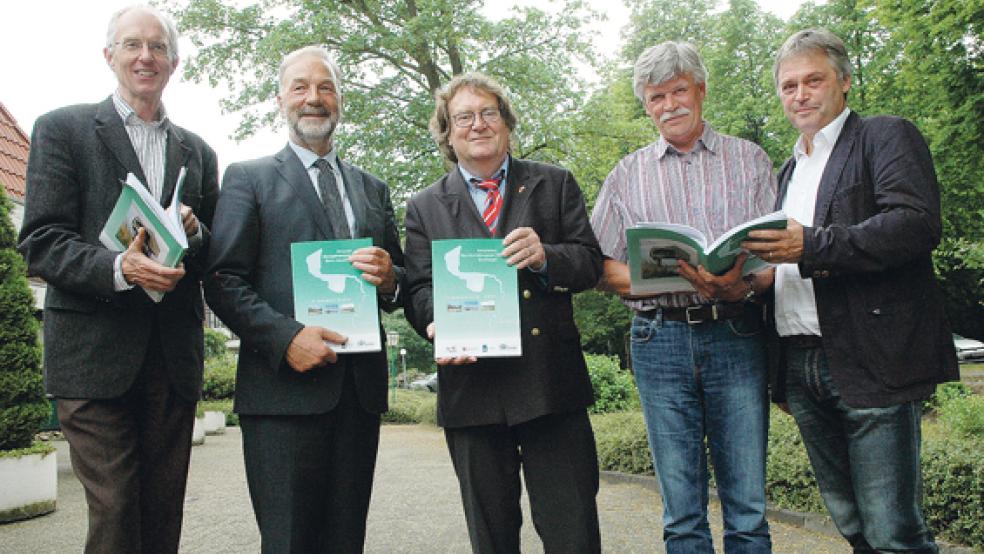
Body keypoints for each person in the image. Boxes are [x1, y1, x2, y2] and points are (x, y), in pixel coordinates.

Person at [742, 28, 959, 552]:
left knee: (893, 531)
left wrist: (810, 244)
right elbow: (791, 256)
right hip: (800, 362)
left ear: (844, 81)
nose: (800, 94)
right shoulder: (788, 169)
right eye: (789, 85)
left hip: (870, 354)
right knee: (852, 524)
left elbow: (914, 224)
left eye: (813, 80)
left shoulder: (884, 136)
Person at [17, 5, 219, 552]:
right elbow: (41, 242)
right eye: (132, 45)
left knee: (161, 513)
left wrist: (194, 234)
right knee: (116, 509)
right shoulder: (62, 130)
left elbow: (208, 258)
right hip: (92, 357)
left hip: (172, 359)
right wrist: (117, 267)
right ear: (109, 56)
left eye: (158, 48)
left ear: (174, 63)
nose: (145, 56)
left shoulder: (198, 152)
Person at [203, 46, 404, 553]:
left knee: (345, 541)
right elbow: (223, 279)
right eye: (300, 87)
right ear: (280, 100)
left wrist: (389, 279)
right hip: (281, 396)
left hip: (357, 395)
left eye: (326, 87)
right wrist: (286, 338)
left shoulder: (373, 189)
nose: (314, 98)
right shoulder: (247, 179)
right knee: (289, 542)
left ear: (341, 100)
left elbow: (400, 280)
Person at [403, 72, 603, 553]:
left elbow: (591, 264)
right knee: (490, 538)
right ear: (448, 134)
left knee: (572, 531)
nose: (477, 125)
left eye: (488, 113)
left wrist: (546, 256)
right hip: (473, 391)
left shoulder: (554, 185)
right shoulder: (424, 205)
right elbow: (418, 287)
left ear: (507, 122)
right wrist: (436, 323)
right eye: (463, 118)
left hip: (550, 385)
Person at [589, 41, 775, 553]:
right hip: (658, 338)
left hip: (737, 330)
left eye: (678, 91)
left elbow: (778, 256)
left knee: (748, 507)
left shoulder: (750, 160)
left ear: (701, 90)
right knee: (681, 512)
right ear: (645, 106)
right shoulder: (626, 175)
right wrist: (662, 280)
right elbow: (597, 264)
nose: (669, 105)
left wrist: (745, 283)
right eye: (656, 97)